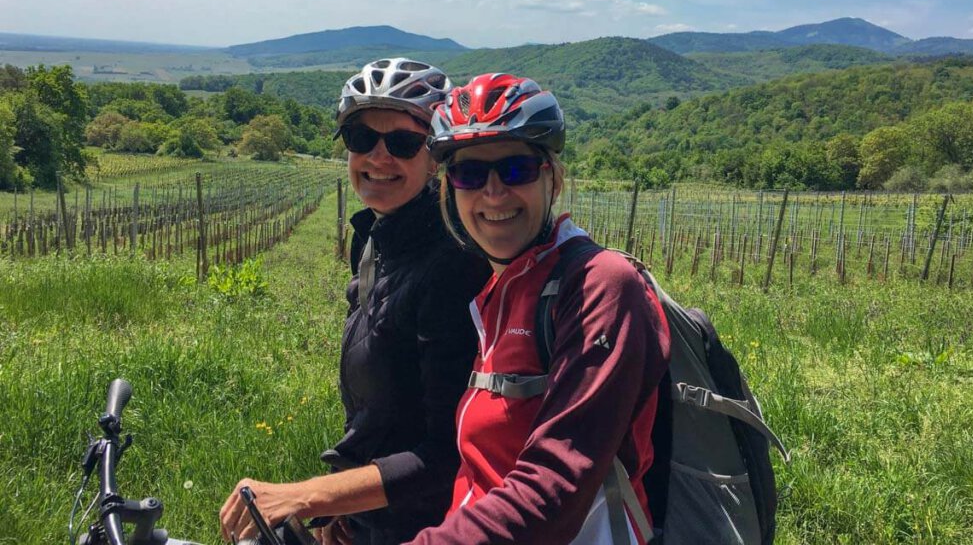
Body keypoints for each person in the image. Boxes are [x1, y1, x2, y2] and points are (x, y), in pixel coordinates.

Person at [220, 58, 491, 545]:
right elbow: (382, 411)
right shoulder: (374, 242)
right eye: (361, 139)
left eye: (404, 143)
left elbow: (448, 453)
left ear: (435, 158)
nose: (378, 157)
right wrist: (343, 507)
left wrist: (314, 496)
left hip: (428, 530)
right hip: (373, 517)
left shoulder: (452, 267)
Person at [407, 73, 670, 545]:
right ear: (450, 188)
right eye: (469, 174)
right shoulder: (499, 289)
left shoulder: (600, 285)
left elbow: (553, 491)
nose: (493, 192)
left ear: (554, 177)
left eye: (515, 169)